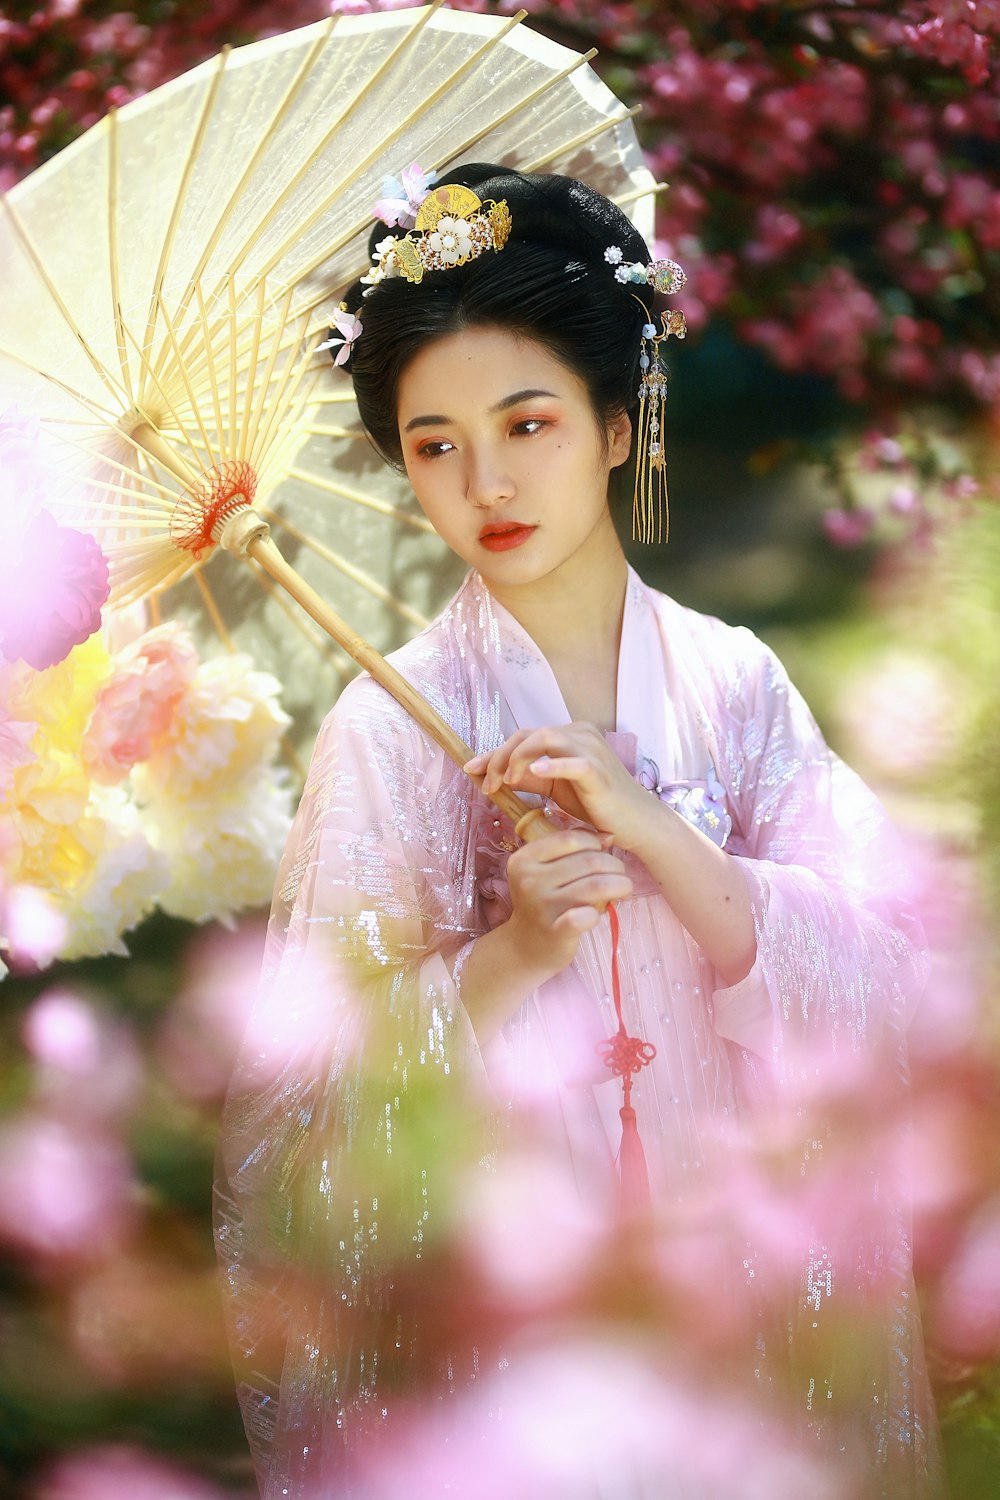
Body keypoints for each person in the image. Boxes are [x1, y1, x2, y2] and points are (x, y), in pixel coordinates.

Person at [216, 165, 943, 1499]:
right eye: (434, 444)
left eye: (528, 421)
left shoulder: (735, 687)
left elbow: (898, 987)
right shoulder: (387, 736)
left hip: (750, 1285)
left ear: (618, 423)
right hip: (512, 1332)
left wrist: (662, 835)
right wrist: (509, 956)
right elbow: (298, 1133)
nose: (485, 480)